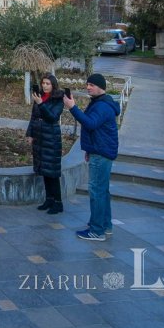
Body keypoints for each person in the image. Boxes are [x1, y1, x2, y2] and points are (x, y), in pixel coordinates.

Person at [63, 72, 120, 242]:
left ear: (101, 87)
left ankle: (97, 231)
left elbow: (90, 123)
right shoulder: (100, 102)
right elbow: (95, 129)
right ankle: (105, 225)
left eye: (92, 85)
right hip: (99, 150)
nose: (88, 87)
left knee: (97, 192)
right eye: (87, 84)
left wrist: (72, 107)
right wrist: (89, 150)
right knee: (103, 191)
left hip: (101, 154)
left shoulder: (102, 106)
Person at [27, 73, 66, 215]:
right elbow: (33, 117)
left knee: (52, 172)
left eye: (48, 83)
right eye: (43, 83)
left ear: (53, 85)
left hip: (51, 138)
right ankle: (49, 199)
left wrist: (41, 104)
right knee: (44, 170)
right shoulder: (39, 97)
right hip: (39, 137)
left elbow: (52, 117)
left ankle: (58, 202)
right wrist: (30, 134)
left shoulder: (58, 99)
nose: (44, 86)